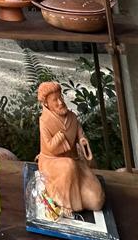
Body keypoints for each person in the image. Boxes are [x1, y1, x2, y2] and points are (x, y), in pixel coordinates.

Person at [36, 81, 104, 214]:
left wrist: (83, 142)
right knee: (68, 166)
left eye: (60, 97)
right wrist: (60, 137)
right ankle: (64, 203)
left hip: (75, 161)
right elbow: (50, 147)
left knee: (96, 201)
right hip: (51, 162)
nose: (60, 102)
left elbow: (80, 136)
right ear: (46, 103)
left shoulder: (72, 117)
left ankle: (80, 195)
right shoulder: (44, 121)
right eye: (55, 100)